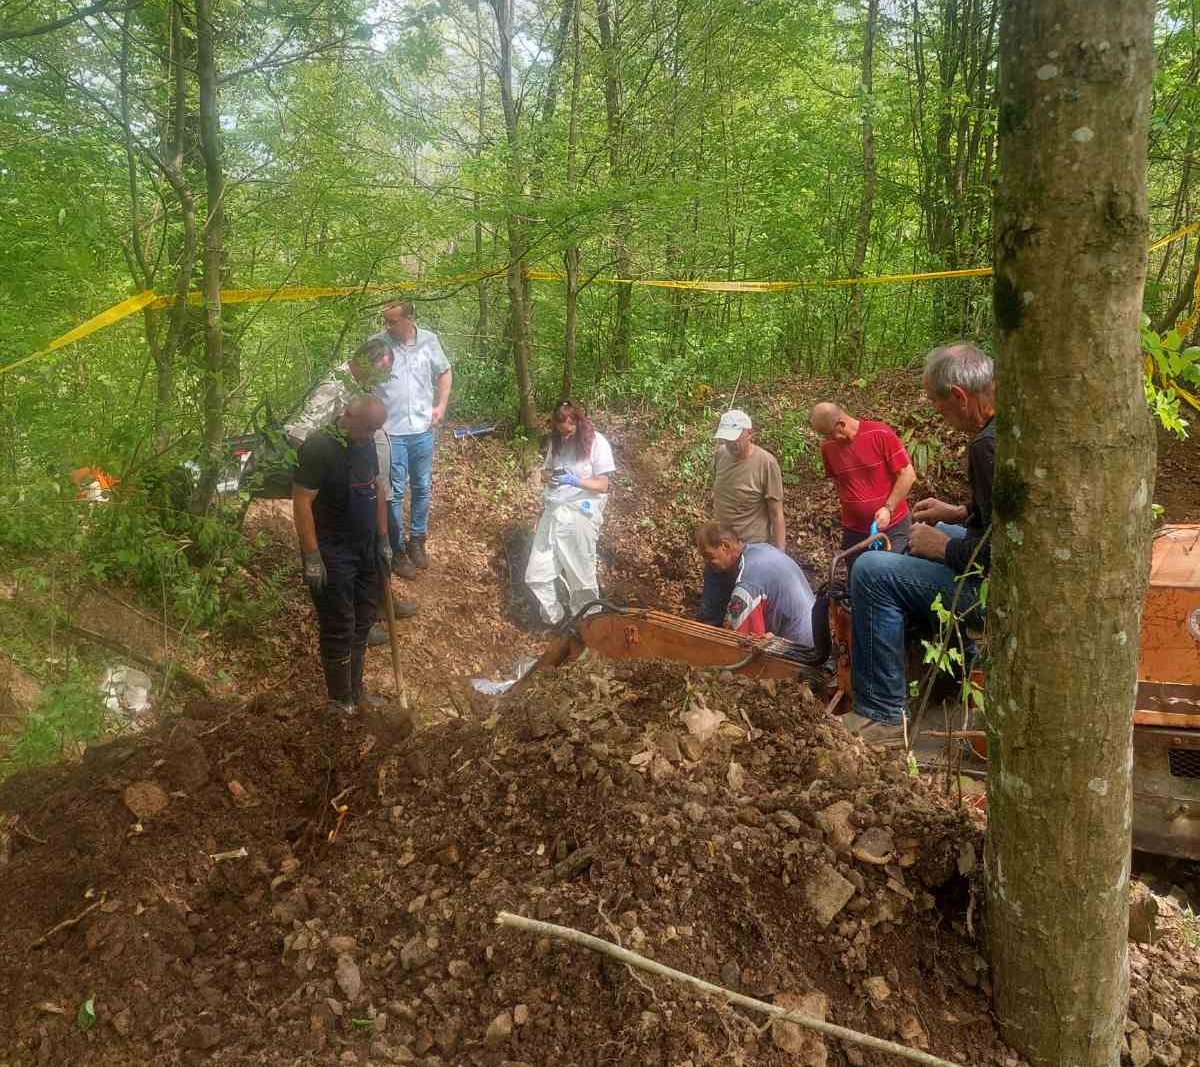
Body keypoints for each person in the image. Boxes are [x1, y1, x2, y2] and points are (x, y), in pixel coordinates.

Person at [842, 343, 996, 742]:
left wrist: (943, 549)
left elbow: (1004, 551)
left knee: (871, 571)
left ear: (960, 397)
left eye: (940, 407)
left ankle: (883, 713)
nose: (941, 418)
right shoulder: (1012, 427)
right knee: (926, 540)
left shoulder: (987, 446)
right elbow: (1011, 518)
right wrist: (959, 513)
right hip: (1011, 574)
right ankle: (947, 678)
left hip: (1002, 592)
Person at [284, 339, 417, 640]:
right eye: (381, 371)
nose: (382, 379)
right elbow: (300, 432)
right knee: (350, 555)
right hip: (340, 490)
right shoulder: (334, 387)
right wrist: (330, 467)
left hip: (368, 485)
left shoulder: (360, 387)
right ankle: (358, 622)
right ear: (365, 361)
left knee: (381, 542)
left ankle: (380, 604)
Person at [292, 396, 395, 716]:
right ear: (348, 416)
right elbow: (301, 502)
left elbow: (376, 490)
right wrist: (311, 555)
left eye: (374, 430)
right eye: (366, 428)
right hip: (332, 550)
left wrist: (383, 540)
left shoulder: (365, 443)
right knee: (339, 624)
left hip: (365, 547)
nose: (369, 435)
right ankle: (340, 700)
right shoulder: (319, 447)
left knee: (363, 619)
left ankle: (356, 690)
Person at [372, 301, 452, 578]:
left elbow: (444, 371)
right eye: (386, 321)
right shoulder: (377, 344)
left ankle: (417, 540)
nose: (388, 327)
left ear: (409, 319)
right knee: (393, 492)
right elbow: (359, 379)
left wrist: (440, 406)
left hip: (421, 429)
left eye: (393, 321)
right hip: (389, 431)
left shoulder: (429, 340)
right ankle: (397, 549)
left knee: (422, 486)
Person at [524, 400, 616, 626]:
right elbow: (545, 473)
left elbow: (603, 484)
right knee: (536, 574)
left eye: (569, 431)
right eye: (560, 430)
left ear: (579, 424)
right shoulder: (557, 443)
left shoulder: (597, 442)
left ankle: (588, 625)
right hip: (554, 509)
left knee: (581, 575)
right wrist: (551, 478)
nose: (564, 435)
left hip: (581, 513)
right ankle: (557, 620)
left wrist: (576, 481)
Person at [700, 409, 786, 625]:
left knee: (745, 617)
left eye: (735, 438)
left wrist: (780, 555)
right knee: (711, 610)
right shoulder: (721, 455)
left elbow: (776, 512)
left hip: (749, 551)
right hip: (719, 546)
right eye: (726, 438)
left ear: (749, 433)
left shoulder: (766, 463)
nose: (730, 444)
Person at [810, 402, 916, 559]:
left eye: (828, 434)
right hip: (855, 531)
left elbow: (908, 474)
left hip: (893, 527)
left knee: (889, 576)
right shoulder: (828, 447)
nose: (827, 439)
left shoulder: (880, 433)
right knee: (858, 578)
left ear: (841, 424)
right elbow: (840, 481)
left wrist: (888, 508)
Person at [694, 523, 816, 647]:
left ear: (725, 545)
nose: (707, 563)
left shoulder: (746, 586)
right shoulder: (763, 548)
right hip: (817, 635)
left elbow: (745, 646)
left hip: (800, 651)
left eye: (709, 556)